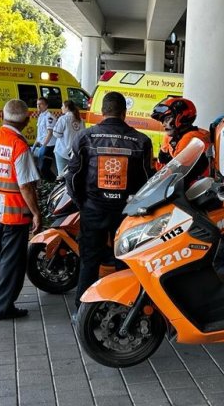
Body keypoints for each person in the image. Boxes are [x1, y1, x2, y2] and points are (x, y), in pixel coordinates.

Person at [66, 92, 152, 310]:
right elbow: (147, 181)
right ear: (124, 113)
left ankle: (82, 310)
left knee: (90, 260)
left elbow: (73, 177)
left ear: (103, 112)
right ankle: (124, 309)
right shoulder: (142, 141)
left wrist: (82, 203)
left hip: (93, 209)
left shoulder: (85, 138)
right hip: (126, 214)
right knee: (124, 260)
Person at [0, 99, 42, 320]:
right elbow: (25, 186)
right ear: (25, 120)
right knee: (11, 261)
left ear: (2, 117)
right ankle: (3, 306)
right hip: (14, 213)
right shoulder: (19, 146)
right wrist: (35, 212)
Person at [150, 97, 211, 179]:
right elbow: (162, 163)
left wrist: (154, 165)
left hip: (194, 187)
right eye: (162, 121)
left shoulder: (192, 137)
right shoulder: (171, 137)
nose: (164, 124)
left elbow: (175, 170)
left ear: (181, 117)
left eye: (167, 119)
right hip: (180, 184)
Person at [52, 100, 83, 175]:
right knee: (72, 175)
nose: (61, 108)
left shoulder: (63, 119)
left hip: (62, 151)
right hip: (75, 153)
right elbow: (82, 135)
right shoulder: (80, 120)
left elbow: (56, 134)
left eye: (62, 106)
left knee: (62, 176)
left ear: (67, 107)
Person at [33, 97, 57, 181]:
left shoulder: (49, 117)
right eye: (37, 104)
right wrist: (35, 145)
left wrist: (43, 146)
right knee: (40, 168)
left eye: (41, 104)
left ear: (46, 105)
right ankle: (47, 185)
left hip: (48, 145)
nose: (38, 106)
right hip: (42, 144)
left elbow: (50, 133)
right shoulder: (41, 116)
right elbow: (40, 134)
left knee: (44, 168)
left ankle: (55, 183)